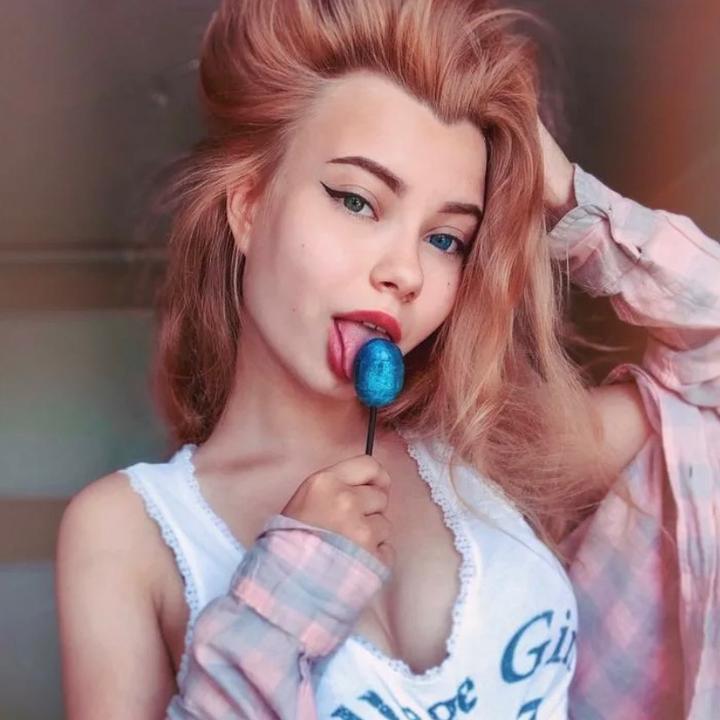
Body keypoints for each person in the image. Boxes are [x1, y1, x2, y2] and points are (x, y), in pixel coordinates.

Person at [55, 1, 720, 718]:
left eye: (445, 239)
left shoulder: (490, 449)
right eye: (357, 201)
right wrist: (278, 609)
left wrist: (565, 199)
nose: (405, 271)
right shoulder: (128, 535)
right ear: (249, 206)